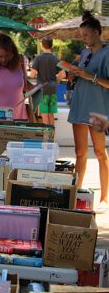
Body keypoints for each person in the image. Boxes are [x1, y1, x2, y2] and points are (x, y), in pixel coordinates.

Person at [67, 13, 109, 211]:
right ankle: (77, 192)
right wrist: (74, 74)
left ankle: (104, 198)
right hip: (80, 105)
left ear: (96, 32)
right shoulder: (85, 53)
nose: (83, 38)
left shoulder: (107, 52)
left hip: (98, 110)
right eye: (81, 35)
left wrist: (90, 77)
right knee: (80, 152)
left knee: (100, 152)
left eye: (85, 35)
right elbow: (82, 74)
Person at [29, 37, 65, 125]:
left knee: (44, 114)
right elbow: (63, 74)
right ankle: (52, 136)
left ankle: (46, 136)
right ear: (51, 45)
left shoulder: (38, 58)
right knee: (51, 113)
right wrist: (55, 80)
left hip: (42, 90)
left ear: (42, 45)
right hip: (52, 89)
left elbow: (32, 75)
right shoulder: (55, 59)